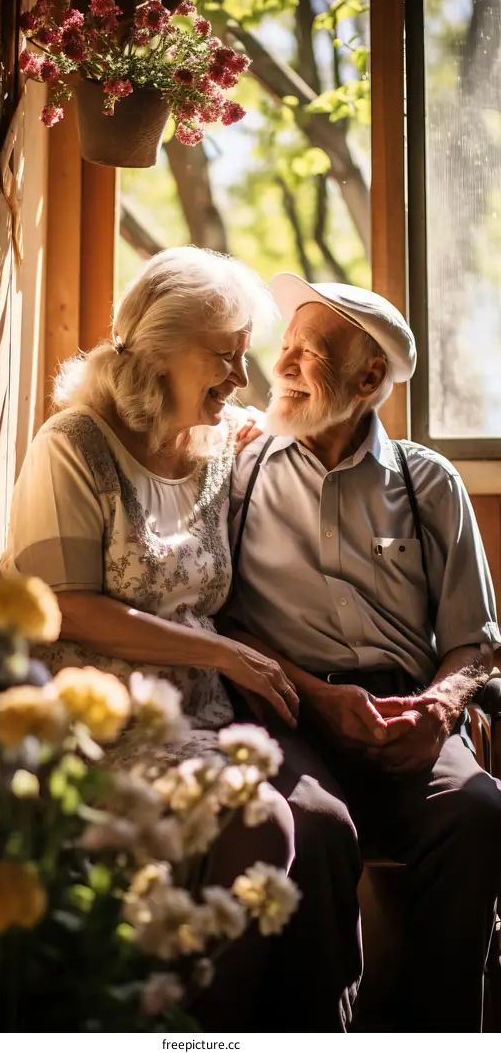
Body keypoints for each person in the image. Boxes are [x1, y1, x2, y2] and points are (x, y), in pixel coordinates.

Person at [0, 246, 301, 1030]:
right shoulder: (74, 446)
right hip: (107, 732)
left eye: (244, 357)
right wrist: (225, 653)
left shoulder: (211, 443)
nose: (242, 377)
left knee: (329, 826)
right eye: (225, 357)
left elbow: (292, 422)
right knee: (263, 821)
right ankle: (196, 1036)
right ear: (161, 350)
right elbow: (65, 607)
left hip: (201, 721)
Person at [227, 273, 501, 1033]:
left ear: (370, 375)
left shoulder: (427, 481)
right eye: (285, 347)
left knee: (478, 810)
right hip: (287, 705)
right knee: (310, 823)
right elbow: (217, 621)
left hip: (405, 709)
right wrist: (318, 698)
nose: (282, 365)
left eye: (308, 353)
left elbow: (475, 639)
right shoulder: (239, 469)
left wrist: (439, 707)